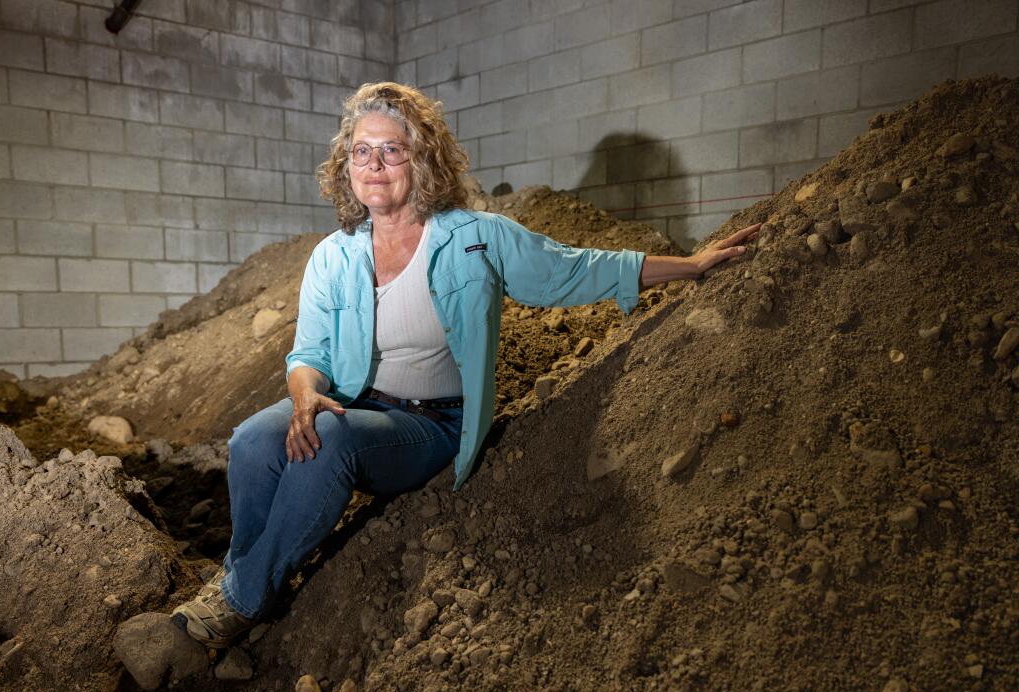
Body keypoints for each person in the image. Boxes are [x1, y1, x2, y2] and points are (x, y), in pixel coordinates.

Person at [172, 82, 760, 648]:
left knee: (328, 437)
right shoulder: (334, 254)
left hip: (431, 425)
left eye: (391, 150)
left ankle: (244, 603)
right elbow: (309, 353)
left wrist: (691, 265)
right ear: (345, 166)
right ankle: (240, 580)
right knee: (252, 440)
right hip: (355, 402)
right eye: (361, 151)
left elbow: (572, 268)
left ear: (421, 161)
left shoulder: (476, 238)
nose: (373, 164)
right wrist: (303, 393)